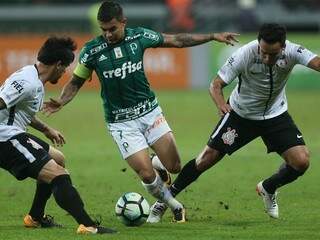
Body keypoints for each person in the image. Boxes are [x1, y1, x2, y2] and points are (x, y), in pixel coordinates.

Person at [42, 0, 239, 222]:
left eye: (112, 29)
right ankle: (174, 205)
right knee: (146, 174)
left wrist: (212, 36)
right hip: (121, 123)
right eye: (103, 30)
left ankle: (158, 164)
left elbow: (177, 40)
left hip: (149, 112)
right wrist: (61, 100)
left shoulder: (139, 37)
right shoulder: (91, 51)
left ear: (123, 22)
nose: (107, 34)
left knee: (174, 166)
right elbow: (75, 82)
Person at [147, 23, 320, 222]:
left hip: (275, 115)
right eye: (263, 52)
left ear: (283, 47)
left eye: (272, 55)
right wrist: (221, 104)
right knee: (205, 159)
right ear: (258, 44)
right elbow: (216, 84)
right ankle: (164, 201)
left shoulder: (293, 51)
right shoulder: (244, 54)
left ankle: (268, 188)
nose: (266, 58)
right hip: (240, 116)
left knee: (301, 161)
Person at [0, 36, 116, 234]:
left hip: (13, 132)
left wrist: (46, 129)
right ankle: (88, 225)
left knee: (58, 159)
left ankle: (35, 217)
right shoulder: (27, 82)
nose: (64, 73)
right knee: (58, 175)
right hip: (5, 139)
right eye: (65, 68)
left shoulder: (33, 77)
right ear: (58, 64)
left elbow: (20, 111)